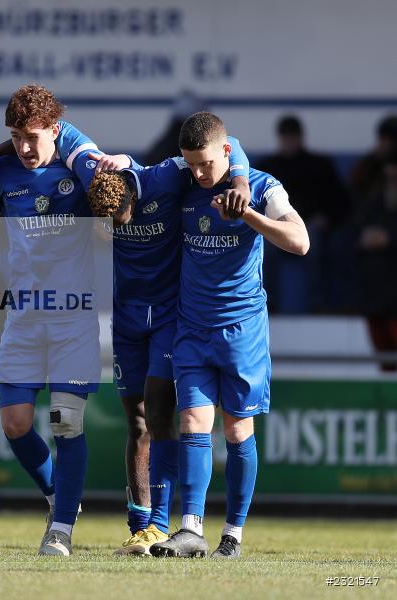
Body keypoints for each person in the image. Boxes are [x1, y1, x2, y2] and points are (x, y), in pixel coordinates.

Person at [0, 117, 250, 556]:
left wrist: (239, 178)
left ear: (133, 199)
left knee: (160, 414)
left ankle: (161, 523)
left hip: (169, 317)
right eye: (104, 225)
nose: (110, 230)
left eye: (116, 222)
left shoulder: (161, 178)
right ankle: (140, 524)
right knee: (136, 420)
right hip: (126, 320)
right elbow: (50, 135)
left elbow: (226, 141)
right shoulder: (97, 196)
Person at [0, 85, 132, 556]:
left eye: (32, 136)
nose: (23, 146)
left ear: (55, 131)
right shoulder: (2, 173)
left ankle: (59, 529)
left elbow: (112, 186)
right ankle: (59, 497)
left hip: (74, 318)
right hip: (23, 317)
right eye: (16, 136)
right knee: (16, 424)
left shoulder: (77, 167)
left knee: (65, 421)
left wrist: (112, 202)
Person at [151, 112, 309, 559]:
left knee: (238, 429)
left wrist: (250, 216)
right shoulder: (187, 183)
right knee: (192, 423)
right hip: (192, 327)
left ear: (226, 151)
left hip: (242, 329)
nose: (199, 174)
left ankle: (233, 535)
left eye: (206, 165)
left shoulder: (261, 186)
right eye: (191, 165)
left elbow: (300, 242)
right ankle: (190, 529)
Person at [256, 115, 347, 313]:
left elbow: (340, 202)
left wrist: (326, 217)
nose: (289, 141)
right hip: (277, 226)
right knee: (265, 248)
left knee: (312, 242)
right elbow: (255, 203)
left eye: (293, 136)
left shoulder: (319, 165)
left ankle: (318, 303)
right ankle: (267, 305)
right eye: (285, 136)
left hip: (309, 225)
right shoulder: (267, 166)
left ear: (300, 137)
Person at [356, 152, 397, 371]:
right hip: (375, 296)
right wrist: (366, 237)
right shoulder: (375, 200)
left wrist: (389, 239)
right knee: (385, 365)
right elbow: (359, 228)